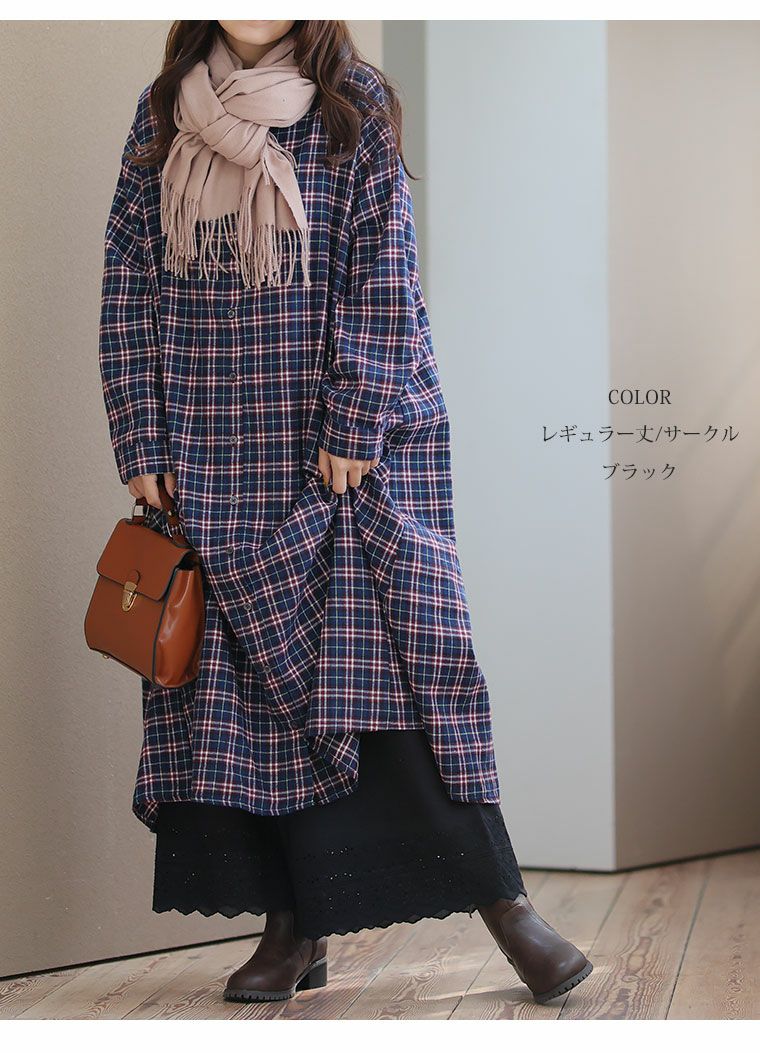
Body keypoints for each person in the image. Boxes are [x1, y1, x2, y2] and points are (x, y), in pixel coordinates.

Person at [98, 19, 592, 1006]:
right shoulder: (161, 116)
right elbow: (127, 281)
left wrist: (356, 416)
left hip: (345, 449)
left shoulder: (350, 105)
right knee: (250, 697)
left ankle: (507, 908)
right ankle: (294, 926)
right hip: (212, 448)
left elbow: (384, 271)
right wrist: (140, 437)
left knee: (396, 676)